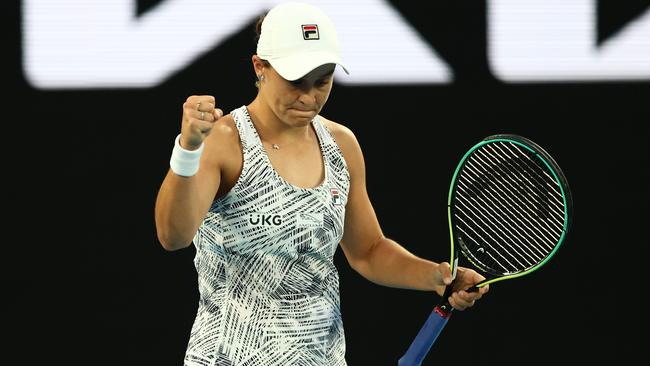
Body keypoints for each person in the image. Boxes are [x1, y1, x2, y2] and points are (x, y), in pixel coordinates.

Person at [154, 2, 489, 365]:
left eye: (322, 81)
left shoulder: (341, 145)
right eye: (296, 81)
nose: (309, 97)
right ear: (260, 67)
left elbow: (368, 250)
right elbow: (173, 236)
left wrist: (436, 276)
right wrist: (188, 149)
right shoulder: (223, 141)